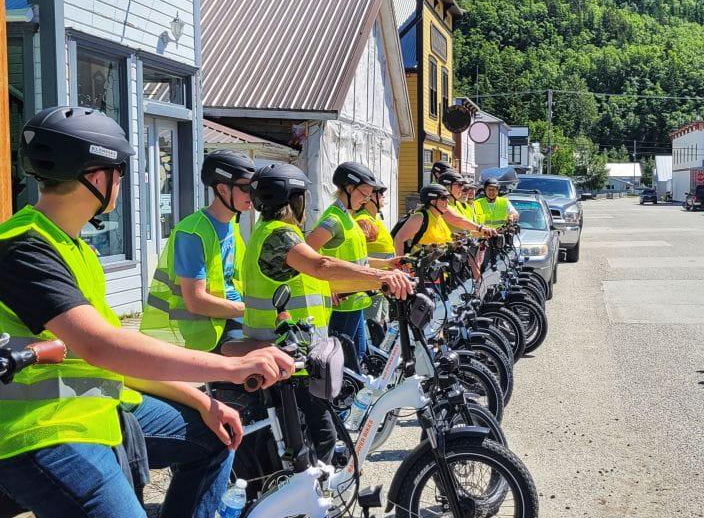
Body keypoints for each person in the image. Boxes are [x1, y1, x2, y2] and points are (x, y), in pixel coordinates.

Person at [0, 106, 294, 518]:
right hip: (43, 430)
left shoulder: (75, 248)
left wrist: (205, 402)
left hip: (98, 409)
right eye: (119, 170)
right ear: (97, 176)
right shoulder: (25, 247)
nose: (122, 182)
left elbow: (114, 358)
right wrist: (229, 368)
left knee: (217, 437)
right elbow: (100, 345)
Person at [223, 163, 411, 461]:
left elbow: (320, 269)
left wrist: (382, 270)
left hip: (293, 350)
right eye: (303, 197)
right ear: (293, 199)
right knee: (320, 437)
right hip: (286, 354)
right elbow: (321, 266)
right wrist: (382, 278)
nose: (306, 204)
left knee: (314, 435)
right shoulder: (280, 235)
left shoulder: (271, 231)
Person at [140, 150, 256, 353]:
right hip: (209, 330)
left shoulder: (231, 225)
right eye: (245, 187)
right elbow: (196, 301)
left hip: (230, 318)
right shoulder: (193, 233)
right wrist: (252, 311)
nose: (252, 194)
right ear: (222, 189)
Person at [306, 162, 403, 360]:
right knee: (344, 361)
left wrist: (388, 263)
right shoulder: (333, 220)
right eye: (364, 194)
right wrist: (325, 287)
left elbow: (358, 261)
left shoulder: (348, 217)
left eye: (369, 195)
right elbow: (304, 257)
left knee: (359, 356)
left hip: (356, 300)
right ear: (349, 189)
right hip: (342, 303)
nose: (367, 199)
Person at [354, 180, 396, 328]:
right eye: (380, 193)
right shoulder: (362, 220)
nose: (384, 196)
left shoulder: (374, 218)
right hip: (371, 285)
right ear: (369, 197)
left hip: (382, 284)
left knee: (383, 322)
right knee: (372, 325)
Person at [393, 184, 455, 253]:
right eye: (443, 198)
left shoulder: (438, 216)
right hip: (420, 262)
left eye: (447, 197)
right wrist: (400, 262)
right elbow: (399, 239)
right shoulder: (419, 217)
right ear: (432, 201)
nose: (447, 201)